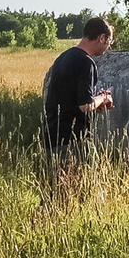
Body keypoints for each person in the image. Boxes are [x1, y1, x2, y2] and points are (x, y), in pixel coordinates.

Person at [41, 16, 115, 176]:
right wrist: (103, 98)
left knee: (56, 192)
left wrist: (96, 106)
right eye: (109, 42)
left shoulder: (63, 58)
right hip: (72, 140)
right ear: (101, 38)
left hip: (52, 136)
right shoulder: (86, 62)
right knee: (76, 192)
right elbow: (85, 105)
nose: (108, 47)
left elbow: (71, 101)